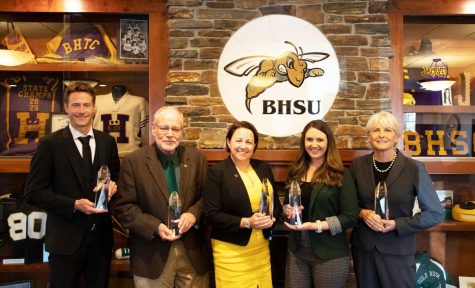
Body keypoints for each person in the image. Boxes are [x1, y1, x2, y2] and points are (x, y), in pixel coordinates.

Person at [24, 81, 120, 288]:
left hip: (101, 242)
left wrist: (113, 185)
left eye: (86, 105)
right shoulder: (50, 144)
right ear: (66, 108)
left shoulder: (107, 142)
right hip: (64, 242)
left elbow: (115, 176)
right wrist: (73, 204)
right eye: (76, 105)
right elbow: (33, 193)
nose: (81, 111)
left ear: (94, 108)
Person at [114, 106, 210, 288]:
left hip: (192, 251)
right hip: (151, 254)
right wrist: (155, 227)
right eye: (164, 128)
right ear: (153, 129)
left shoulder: (198, 160)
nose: (169, 134)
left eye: (175, 129)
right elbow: (125, 208)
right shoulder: (133, 162)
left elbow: (207, 198)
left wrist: (193, 215)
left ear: (182, 132)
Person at [350, 111, 444, 288]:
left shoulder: (414, 168)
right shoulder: (357, 166)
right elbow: (347, 206)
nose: (381, 135)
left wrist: (397, 224)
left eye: (388, 130)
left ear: (396, 136)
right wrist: (362, 213)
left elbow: (434, 213)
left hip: (398, 250)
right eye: (375, 130)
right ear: (369, 136)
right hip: (364, 249)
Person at [203, 121, 283, 288]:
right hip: (231, 253)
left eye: (249, 142)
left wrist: (271, 218)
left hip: (261, 250)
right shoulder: (217, 172)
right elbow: (212, 215)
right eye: (238, 140)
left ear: (254, 145)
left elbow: (276, 205)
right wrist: (247, 222)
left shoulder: (263, 168)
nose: (243, 146)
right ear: (228, 142)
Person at [282, 120, 359, 288]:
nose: (314, 144)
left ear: (328, 142)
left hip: (330, 253)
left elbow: (350, 217)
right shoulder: (295, 171)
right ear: (303, 142)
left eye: (320, 140)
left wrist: (315, 225)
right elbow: (286, 205)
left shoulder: (341, 174)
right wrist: (287, 210)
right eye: (309, 139)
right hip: (296, 250)